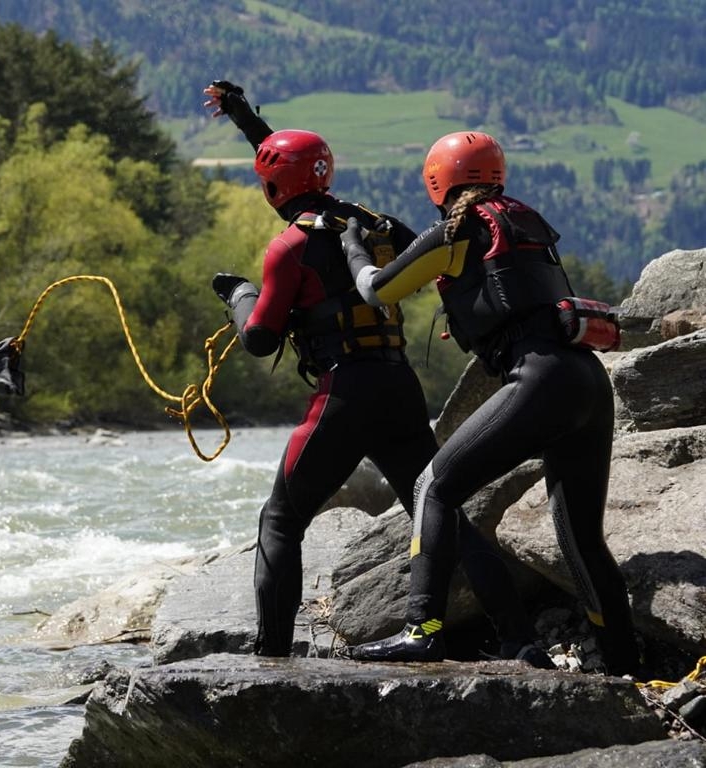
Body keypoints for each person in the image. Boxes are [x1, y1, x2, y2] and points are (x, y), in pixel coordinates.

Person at [204, 82, 550, 666]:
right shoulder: (376, 224)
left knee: (282, 521)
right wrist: (248, 123)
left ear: (271, 187)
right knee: (441, 511)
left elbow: (260, 338)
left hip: (343, 394)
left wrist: (237, 293)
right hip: (398, 389)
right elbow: (295, 170)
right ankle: (520, 640)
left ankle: (272, 659)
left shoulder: (288, 246)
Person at [339, 131, 642, 676]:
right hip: (586, 382)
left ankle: (420, 631)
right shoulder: (522, 221)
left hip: (539, 380)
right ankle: (624, 665)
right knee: (580, 540)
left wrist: (353, 247)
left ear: (438, 180)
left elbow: (378, 289)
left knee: (432, 484)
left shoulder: (458, 231)